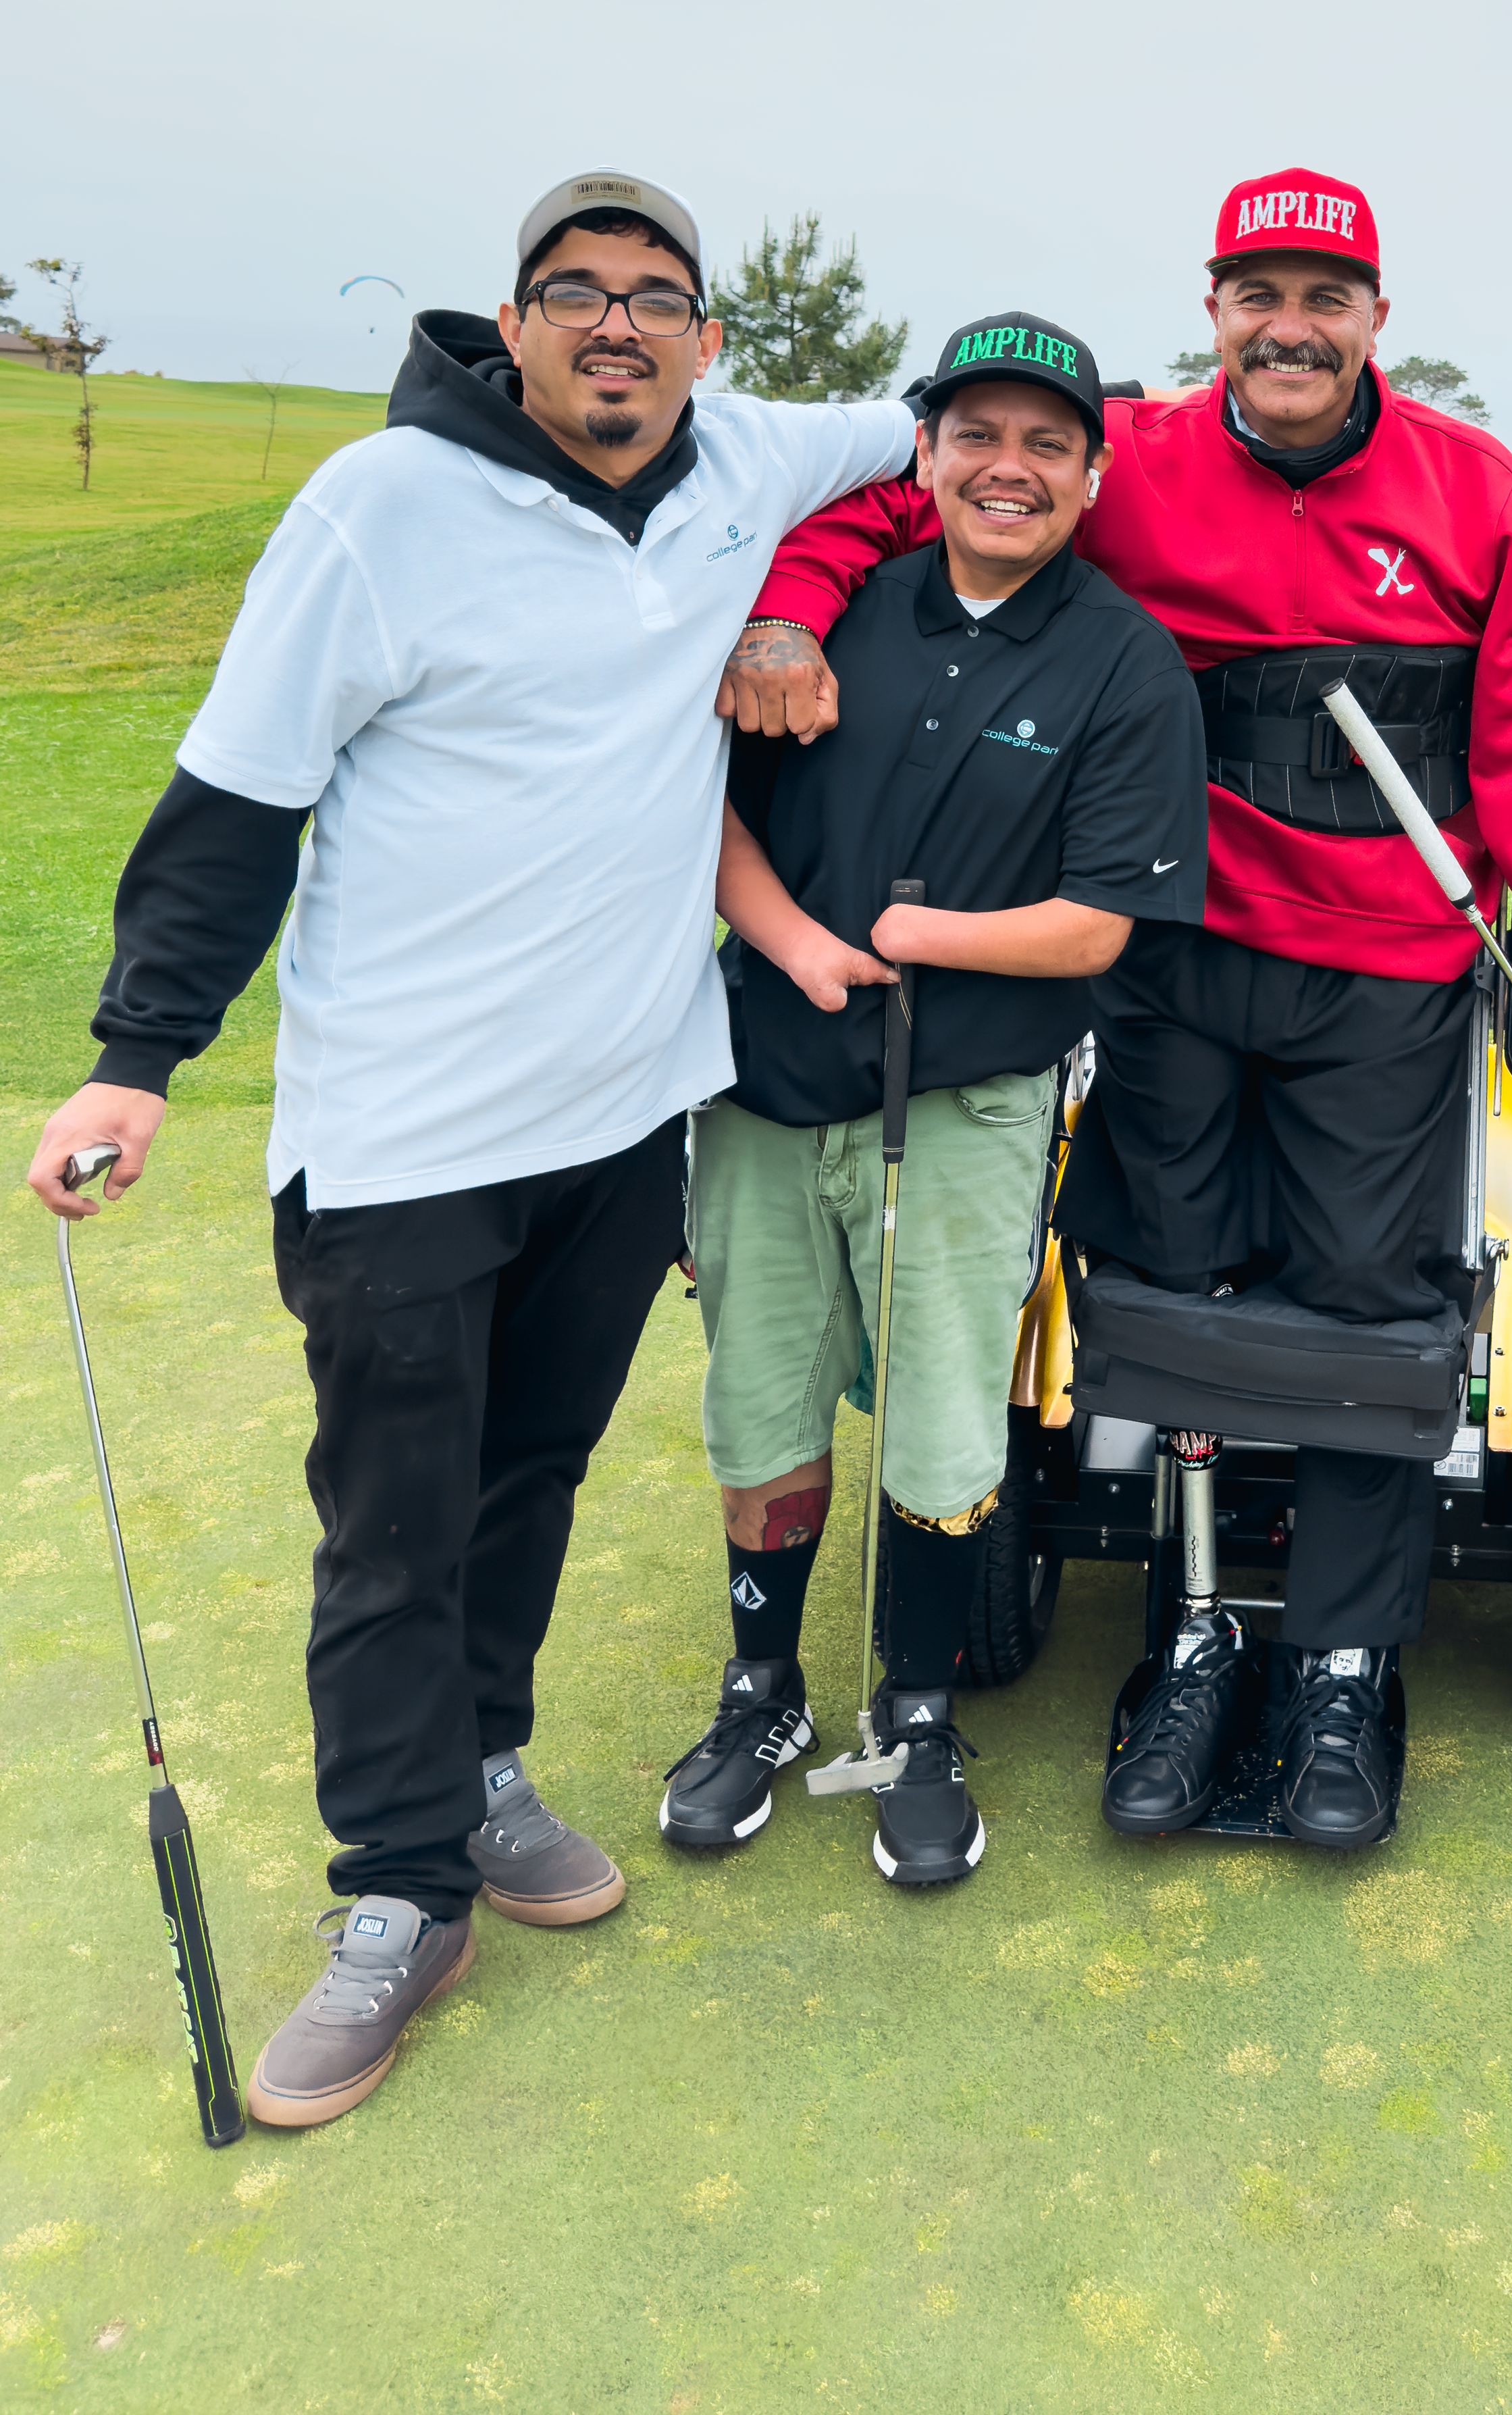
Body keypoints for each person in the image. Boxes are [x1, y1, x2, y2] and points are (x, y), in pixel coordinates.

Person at [25, 174, 913, 2123]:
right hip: (403, 1136)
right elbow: (238, 802)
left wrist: (784, 592)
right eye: (574, 293)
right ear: (507, 325)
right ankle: (397, 1894)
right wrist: (134, 1058)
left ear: (706, 336)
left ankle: (484, 1769)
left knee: (529, 1476)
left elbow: (957, 426)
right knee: (396, 1522)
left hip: (619, 1116)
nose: (619, 326)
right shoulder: (375, 509)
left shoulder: (744, 459)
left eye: (656, 296)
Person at [719, 178, 1512, 1849]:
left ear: (1377, 317)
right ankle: (1199, 1631)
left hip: (1390, 969)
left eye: (1326, 294)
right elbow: (902, 514)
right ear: (1211, 309)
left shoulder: (1471, 486)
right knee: (1164, 1287)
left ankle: (1348, 1665)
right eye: (1256, 293)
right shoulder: (1122, 454)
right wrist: (790, 599)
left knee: (1371, 1317)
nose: (1289, 325)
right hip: (1168, 957)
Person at [658, 310, 1206, 1888]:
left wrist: (909, 938)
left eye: (1046, 442)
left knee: (943, 1419)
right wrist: (800, 947)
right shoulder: (821, 616)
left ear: (1091, 476)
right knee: (760, 1407)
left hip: (967, 1100)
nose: (1008, 467)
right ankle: (762, 1695)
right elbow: (701, 814)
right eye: (978, 435)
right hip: (766, 1076)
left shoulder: (1124, 659)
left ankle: (913, 1710)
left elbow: (1100, 922)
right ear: (929, 455)